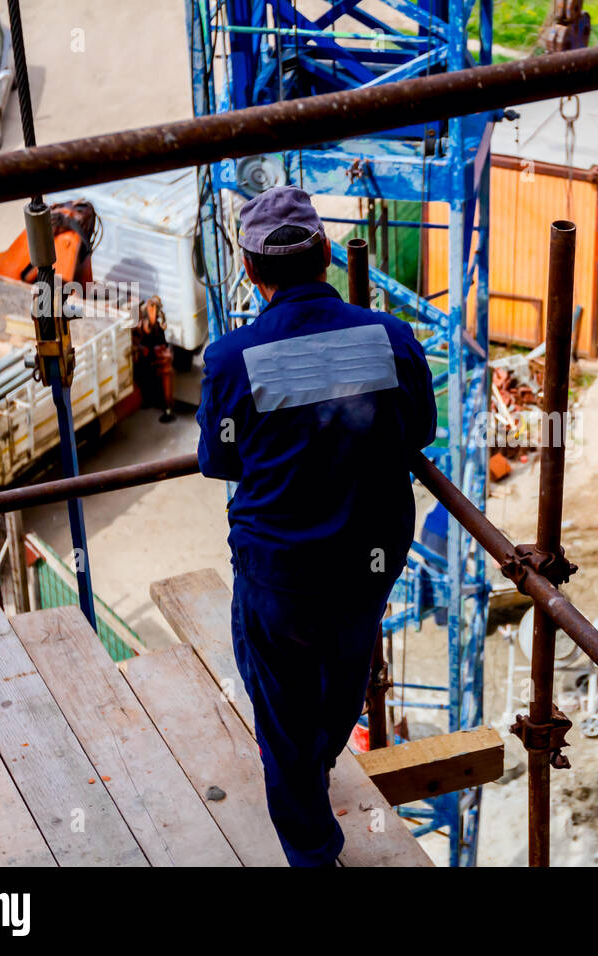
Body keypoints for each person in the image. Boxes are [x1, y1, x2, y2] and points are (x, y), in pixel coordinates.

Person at [195, 186, 436, 866]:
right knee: (339, 681)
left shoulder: (231, 357)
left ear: (250, 272)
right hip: (368, 561)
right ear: (327, 255)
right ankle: (314, 758)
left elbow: (220, 458)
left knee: (281, 708)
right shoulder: (390, 339)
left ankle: (311, 850)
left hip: (283, 572)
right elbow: (418, 428)